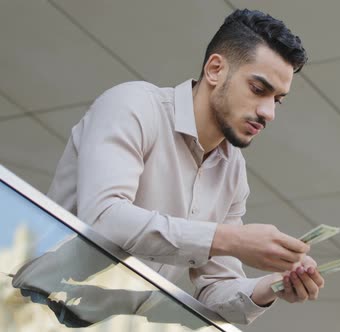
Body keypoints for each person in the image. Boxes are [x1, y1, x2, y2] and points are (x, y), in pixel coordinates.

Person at [43, 8, 325, 325]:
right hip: (30, 309)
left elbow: (218, 291)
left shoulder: (232, 173)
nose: (268, 112)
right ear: (215, 69)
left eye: (278, 100)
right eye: (259, 90)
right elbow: (104, 219)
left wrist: (274, 285)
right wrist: (233, 240)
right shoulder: (133, 106)